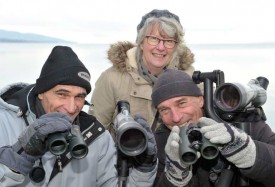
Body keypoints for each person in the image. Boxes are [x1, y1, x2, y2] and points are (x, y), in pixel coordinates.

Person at [0, 46, 157, 186]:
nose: (71, 107)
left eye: (79, 97)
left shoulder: (96, 136)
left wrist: (144, 167)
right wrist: (20, 155)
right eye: (62, 94)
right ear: (41, 92)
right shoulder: (4, 123)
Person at [151, 69, 275, 187]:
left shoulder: (243, 121)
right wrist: (174, 176)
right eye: (164, 109)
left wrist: (248, 152)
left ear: (200, 101)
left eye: (182, 103)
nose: (176, 118)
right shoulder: (163, 141)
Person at [89, 9, 199, 132]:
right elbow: (96, 133)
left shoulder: (191, 77)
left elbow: (209, 120)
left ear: (176, 46)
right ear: (141, 42)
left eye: (169, 41)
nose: (161, 47)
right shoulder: (111, 79)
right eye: (153, 38)